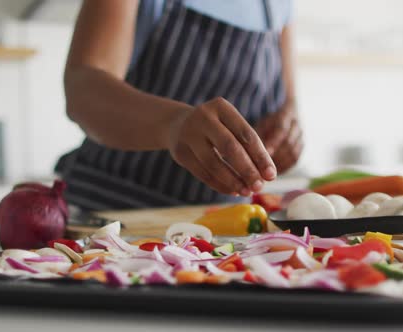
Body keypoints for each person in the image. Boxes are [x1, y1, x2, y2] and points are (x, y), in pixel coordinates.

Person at [55, 0, 303, 210]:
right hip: (110, 212)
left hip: (217, 233)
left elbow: (288, 100)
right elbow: (82, 89)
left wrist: (286, 128)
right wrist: (174, 124)